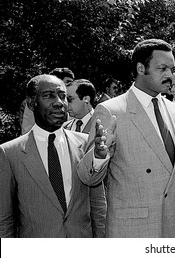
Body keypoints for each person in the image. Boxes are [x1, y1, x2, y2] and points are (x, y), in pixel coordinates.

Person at [77, 39, 175, 237]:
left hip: (172, 227)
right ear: (141, 68)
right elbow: (87, 177)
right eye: (162, 68)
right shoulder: (111, 110)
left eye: (172, 69)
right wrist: (100, 155)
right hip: (132, 231)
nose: (170, 75)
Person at [0, 74, 106, 237]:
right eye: (48, 96)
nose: (58, 103)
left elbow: (98, 207)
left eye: (63, 96)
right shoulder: (9, 153)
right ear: (31, 102)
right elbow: (4, 220)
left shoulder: (86, 144)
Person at [20, 68, 75, 135]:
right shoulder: (34, 101)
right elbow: (27, 128)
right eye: (68, 82)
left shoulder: (71, 101)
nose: (71, 85)